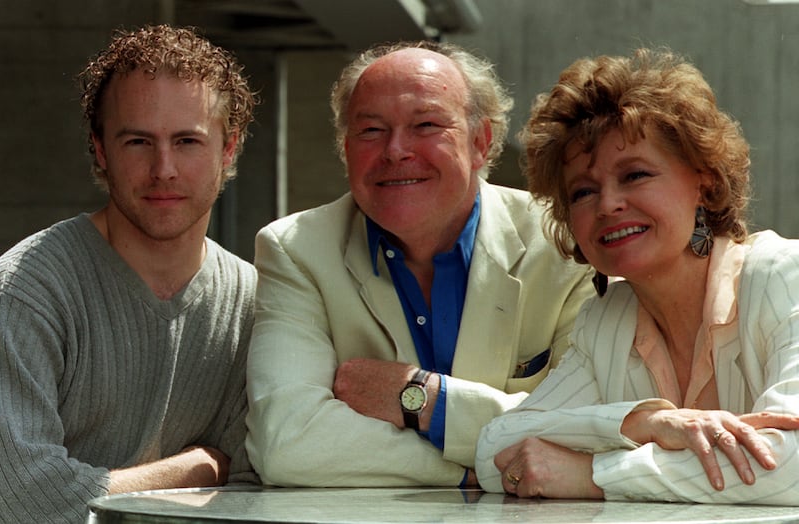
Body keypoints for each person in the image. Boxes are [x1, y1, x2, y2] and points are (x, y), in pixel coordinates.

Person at [245, 40, 593, 488]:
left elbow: (593, 428)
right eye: (370, 130)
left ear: (481, 143)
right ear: (345, 148)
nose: (395, 150)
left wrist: (422, 399)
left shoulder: (565, 242)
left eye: (426, 124)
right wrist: (472, 472)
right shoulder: (295, 250)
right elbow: (285, 444)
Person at [475, 47, 799, 504]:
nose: (607, 205)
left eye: (635, 175)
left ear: (704, 185)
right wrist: (642, 422)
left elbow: (790, 467)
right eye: (584, 191)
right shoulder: (605, 321)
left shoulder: (786, 277)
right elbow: (495, 451)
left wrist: (594, 475)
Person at [0, 24, 259, 522]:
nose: (163, 169)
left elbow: (255, 494)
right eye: (139, 141)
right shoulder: (25, 293)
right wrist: (201, 467)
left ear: (228, 149)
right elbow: (22, 501)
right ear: (101, 150)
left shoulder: (252, 303)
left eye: (187, 141)